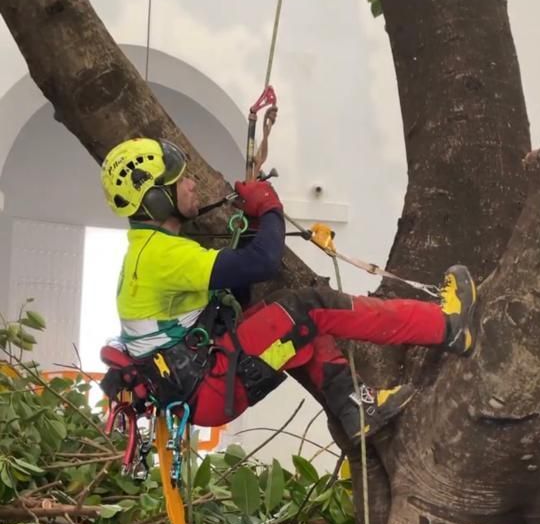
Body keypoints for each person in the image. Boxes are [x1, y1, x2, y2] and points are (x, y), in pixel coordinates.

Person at [100, 137, 477, 440]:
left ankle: (354, 408)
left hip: (206, 387)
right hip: (210, 384)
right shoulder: (161, 255)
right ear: (156, 198)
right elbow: (262, 263)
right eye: (181, 179)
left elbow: (241, 283)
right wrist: (269, 207)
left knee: (292, 325)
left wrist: (252, 228)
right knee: (311, 308)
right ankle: (446, 325)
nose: (192, 182)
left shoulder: (147, 252)